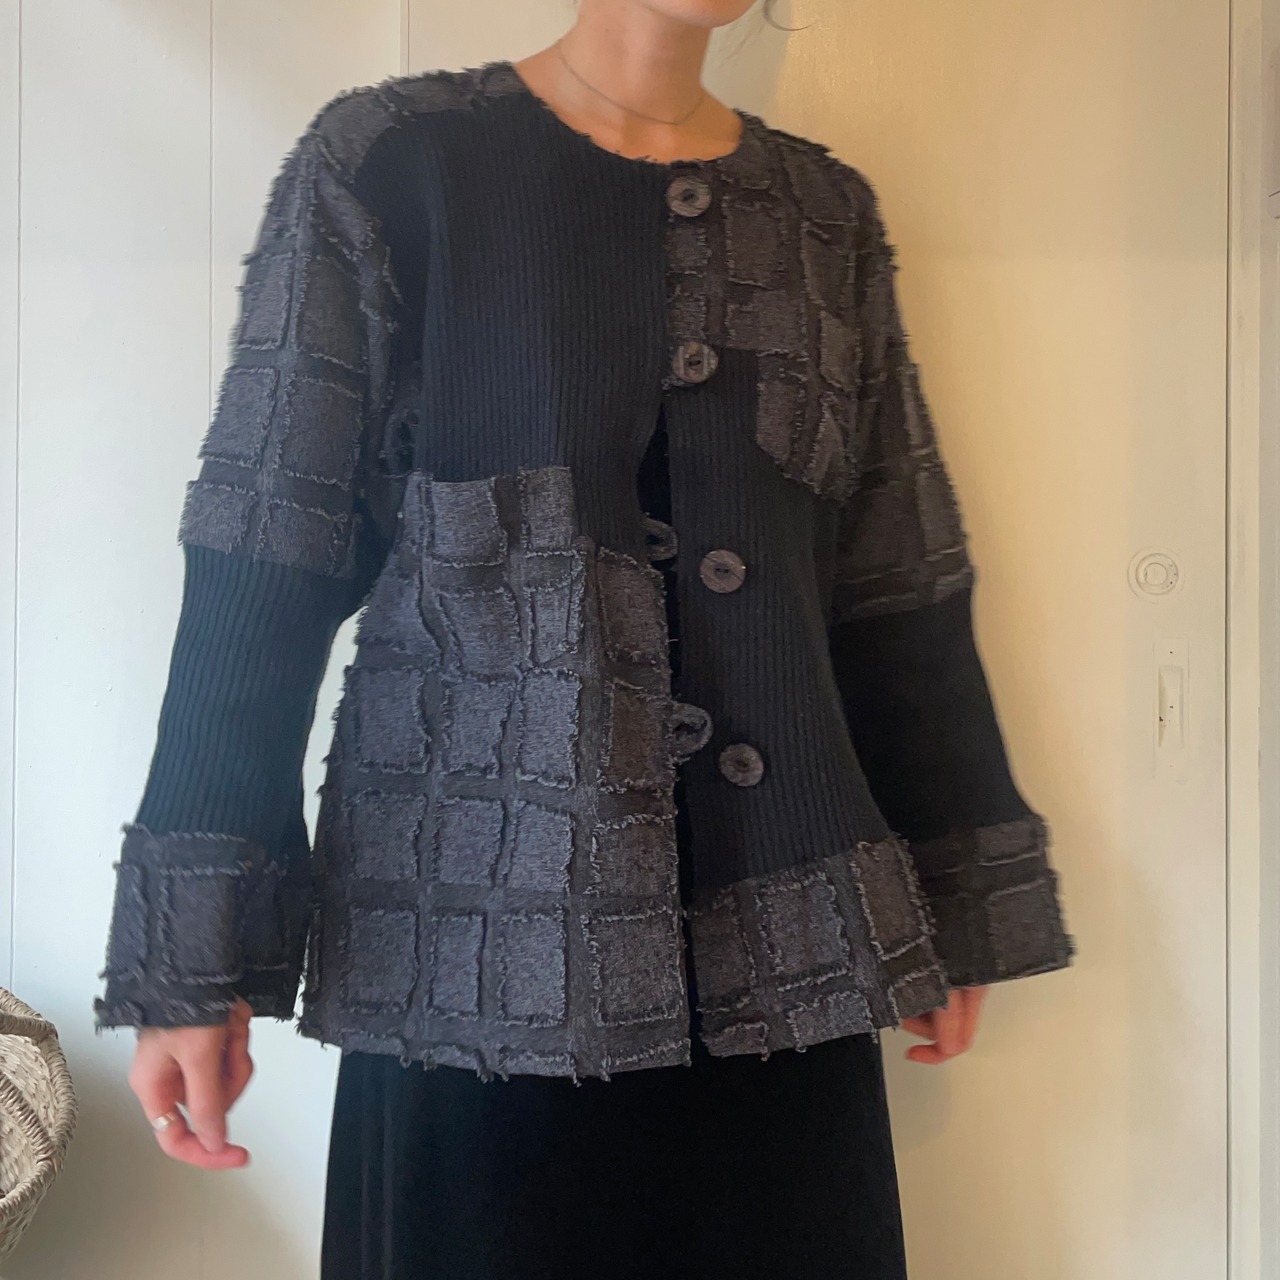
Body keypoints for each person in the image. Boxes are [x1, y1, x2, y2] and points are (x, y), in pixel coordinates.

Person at [96, 3, 1076, 1277]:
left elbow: (892, 570)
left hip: (785, 957)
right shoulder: (396, 163)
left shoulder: (821, 214)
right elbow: (265, 551)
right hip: (473, 957)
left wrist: (953, 884)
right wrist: (193, 951)